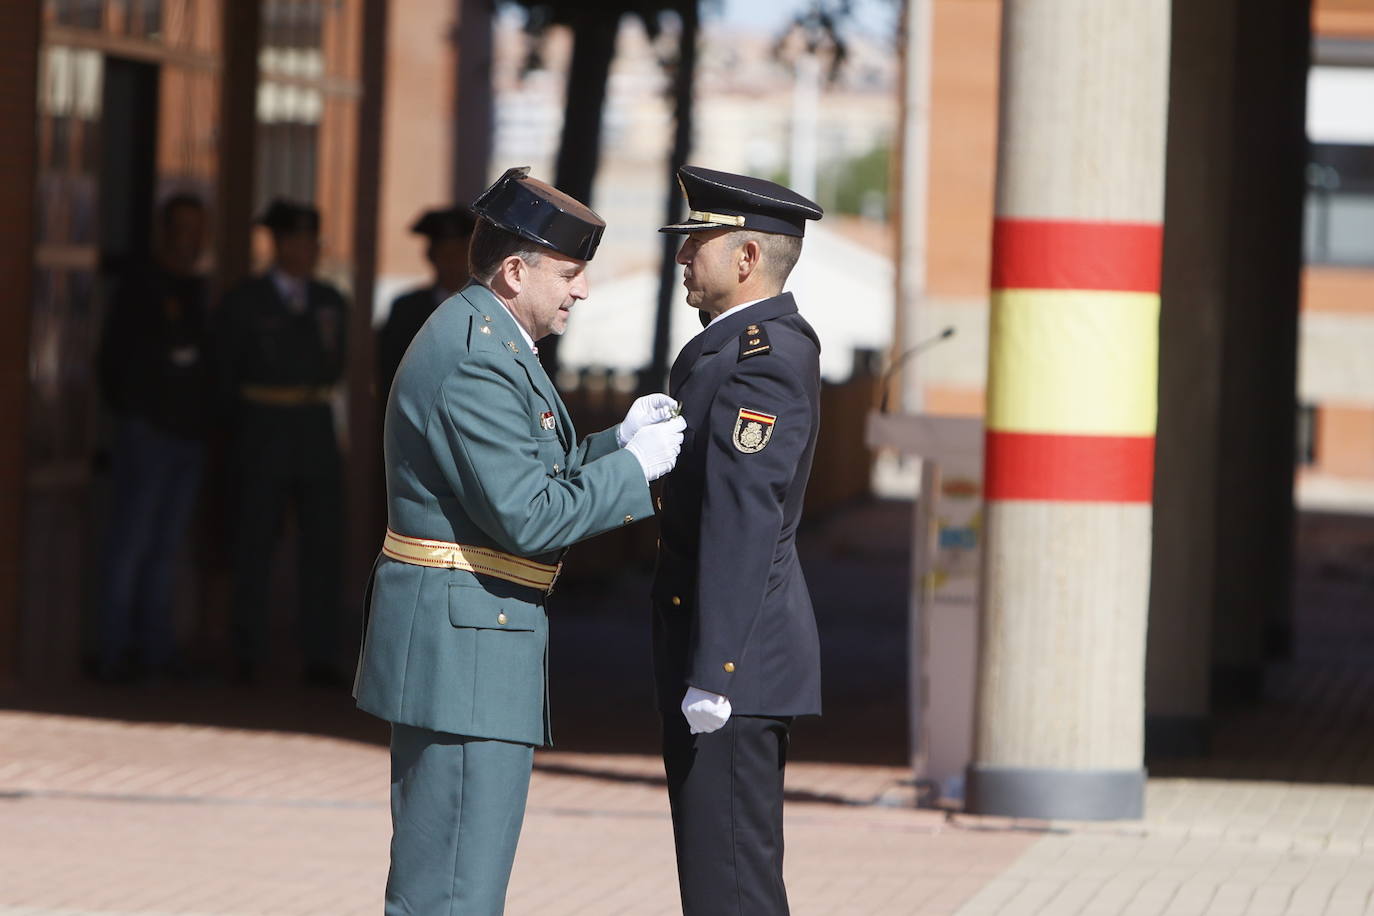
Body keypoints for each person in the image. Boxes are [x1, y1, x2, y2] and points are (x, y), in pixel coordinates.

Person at [352, 166, 685, 915]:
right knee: (453, 893)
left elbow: (536, 469)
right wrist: (634, 473)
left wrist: (613, 447)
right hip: (464, 650)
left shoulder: (491, 337)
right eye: (569, 273)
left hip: (473, 640)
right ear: (514, 270)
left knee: (455, 880)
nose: (582, 290)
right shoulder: (476, 354)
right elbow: (529, 514)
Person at [652, 165, 825, 915]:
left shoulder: (766, 359)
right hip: (721, 653)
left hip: (736, 662)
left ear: (747, 258)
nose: (683, 257)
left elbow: (742, 517)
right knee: (718, 877)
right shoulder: (734, 349)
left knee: (731, 885)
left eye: (698, 242)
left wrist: (715, 669)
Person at [215, 198, 349, 687]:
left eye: (313, 241)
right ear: (278, 243)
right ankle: (246, 649)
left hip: (314, 428)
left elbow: (338, 367)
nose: (307, 250)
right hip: (263, 429)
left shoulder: (331, 300)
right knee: (253, 541)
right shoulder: (245, 300)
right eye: (297, 240)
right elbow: (225, 374)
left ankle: (320, 653)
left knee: (323, 545)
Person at [94, 192, 213, 683]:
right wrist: (136, 413)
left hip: (188, 436)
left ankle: (156, 650)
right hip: (147, 433)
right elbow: (113, 360)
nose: (190, 239)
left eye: (197, 228)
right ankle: (113, 651)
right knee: (131, 544)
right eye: (181, 228)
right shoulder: (140, 285)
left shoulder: (200, 288)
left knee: (167, 549)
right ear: (165, 231)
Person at [376, 205, 477, 404]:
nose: (452, 262)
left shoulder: (489, 306)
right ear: (431, 256)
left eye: (458, 253)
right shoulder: (406, 309)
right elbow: (390, 374)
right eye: (444, 254)